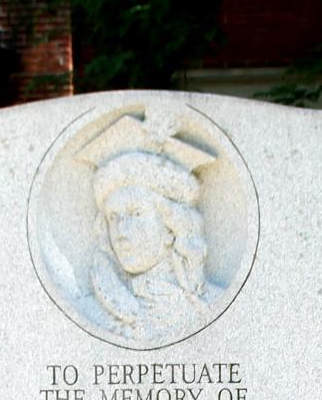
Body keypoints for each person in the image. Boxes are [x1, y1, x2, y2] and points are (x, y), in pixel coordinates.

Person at [76, 113, 220, 346]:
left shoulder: (211, 304)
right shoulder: (89, 314)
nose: (121, 231)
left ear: (171, 227)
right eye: (113, 217)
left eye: (136, 214)